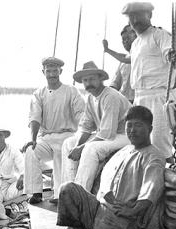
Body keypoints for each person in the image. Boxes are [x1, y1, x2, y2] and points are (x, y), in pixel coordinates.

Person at [23, 57, 85, 204]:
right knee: (31, 151)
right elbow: (35, 117)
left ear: (60, 71)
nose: (52, 74)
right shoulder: (39, 94)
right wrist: (33, 139)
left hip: (67, 135)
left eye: (55, 70)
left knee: (61, 154)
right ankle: (36, 192)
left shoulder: (71, 91)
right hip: (46, 137)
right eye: (48, 70)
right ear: (43, 72)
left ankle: (60, 194)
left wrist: (83, 136)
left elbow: (81, 115)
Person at [61, 61, 131, 192]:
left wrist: (82, 147)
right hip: (110, 135)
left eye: (92, 79)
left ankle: (82, 195)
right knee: (68, 143)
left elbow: (106, 133)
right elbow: (86, 127)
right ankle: (68, 191)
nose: (88, 83)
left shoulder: (110, 96)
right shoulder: (90, 98)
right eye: (85, 80)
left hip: (125, 135)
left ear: (100, 79)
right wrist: (77, 146)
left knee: (90, 149)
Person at [122, 2, 176, 160]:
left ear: (149, 15)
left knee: (160, 142)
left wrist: (172, 55)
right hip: (140, 97)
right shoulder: (136, 43)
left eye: (139, 14)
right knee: (140, 142)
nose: (135, 19)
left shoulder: (159, 35)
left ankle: (166, 179)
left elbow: (169, 52)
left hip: (159, 96)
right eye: (131, 16)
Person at [102, 24, 137, 103]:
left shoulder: (143, 55)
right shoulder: (122, 63)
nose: (125, 41)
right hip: (123, 102)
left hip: (139, 101)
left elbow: (124, 58)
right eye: (123, 39)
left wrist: (107, 50)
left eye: (128, 38)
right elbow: (115, 83)